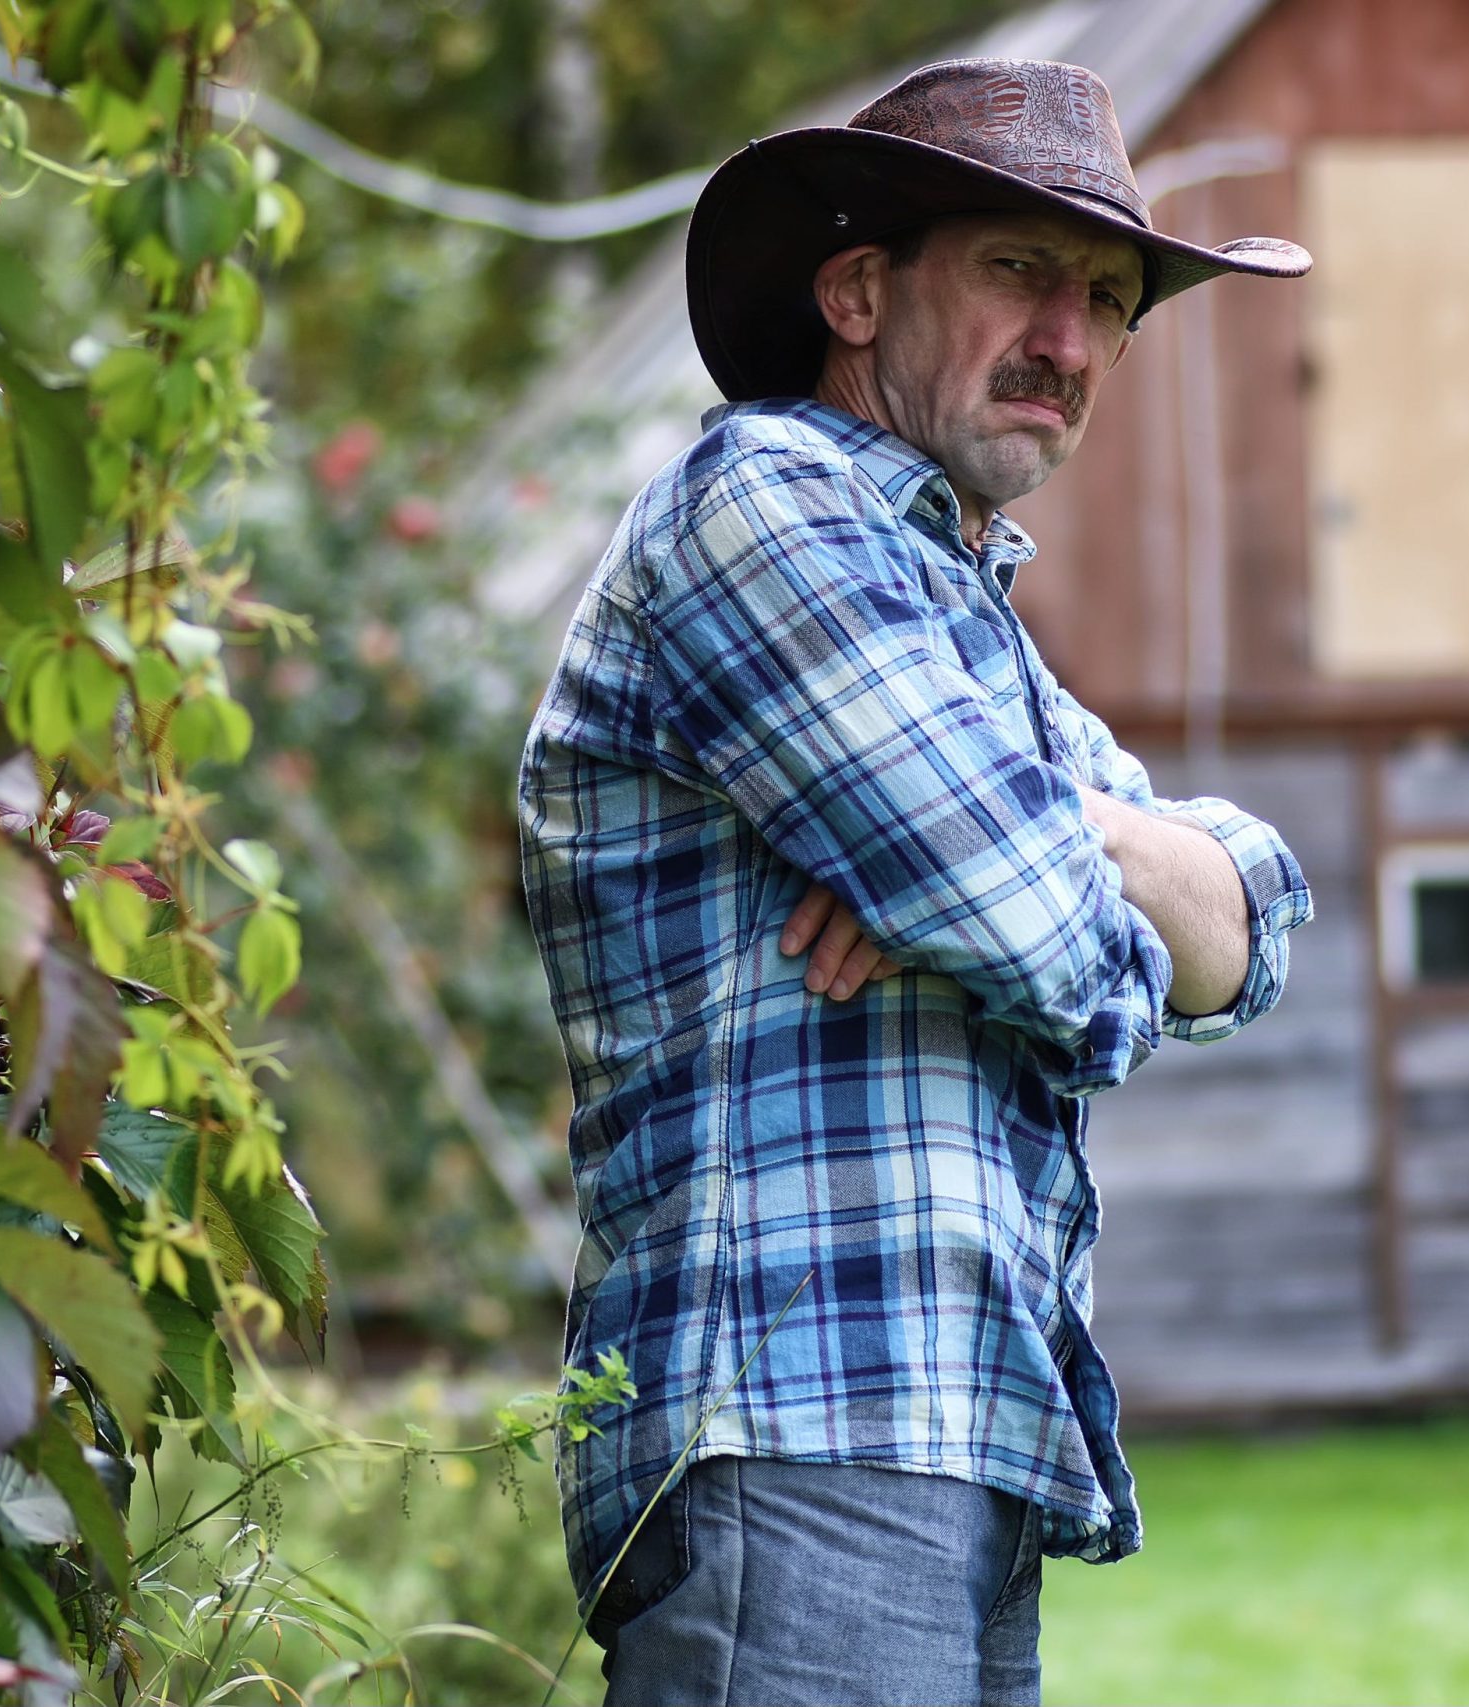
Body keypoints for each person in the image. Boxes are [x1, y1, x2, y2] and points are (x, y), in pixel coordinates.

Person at [517, 56, 1316, 1707]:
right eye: (1021, 271)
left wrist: (1048, 835)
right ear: (859, 293)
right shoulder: (763, 505)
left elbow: (1253, 924)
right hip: (793, 1428)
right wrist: (1039, 881)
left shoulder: (966, 623)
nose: (1070, 342)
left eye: (1109, 301)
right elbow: (1044, 940)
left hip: (952, 1437)